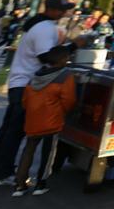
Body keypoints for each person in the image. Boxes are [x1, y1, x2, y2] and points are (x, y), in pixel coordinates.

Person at [0, 0, 79, 187]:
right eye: (60, 9)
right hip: (27, 85)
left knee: (8, 130)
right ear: (50, 9)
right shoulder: (45, 28)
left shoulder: (38, 25)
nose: (63, 12)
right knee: (15, 131)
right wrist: (74, 46)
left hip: (19, 82)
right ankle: (2, 174)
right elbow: (47, 57)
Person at [12, 45, 77, 197]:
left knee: (28, 151)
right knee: (48, 155)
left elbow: (25, 100)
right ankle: (40, 184)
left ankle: (19, 185)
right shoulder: (65, 76)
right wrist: (63, 112)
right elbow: (69, 100)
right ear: (62, 60)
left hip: (33, 120)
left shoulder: (36, 75)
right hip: (52, 121)